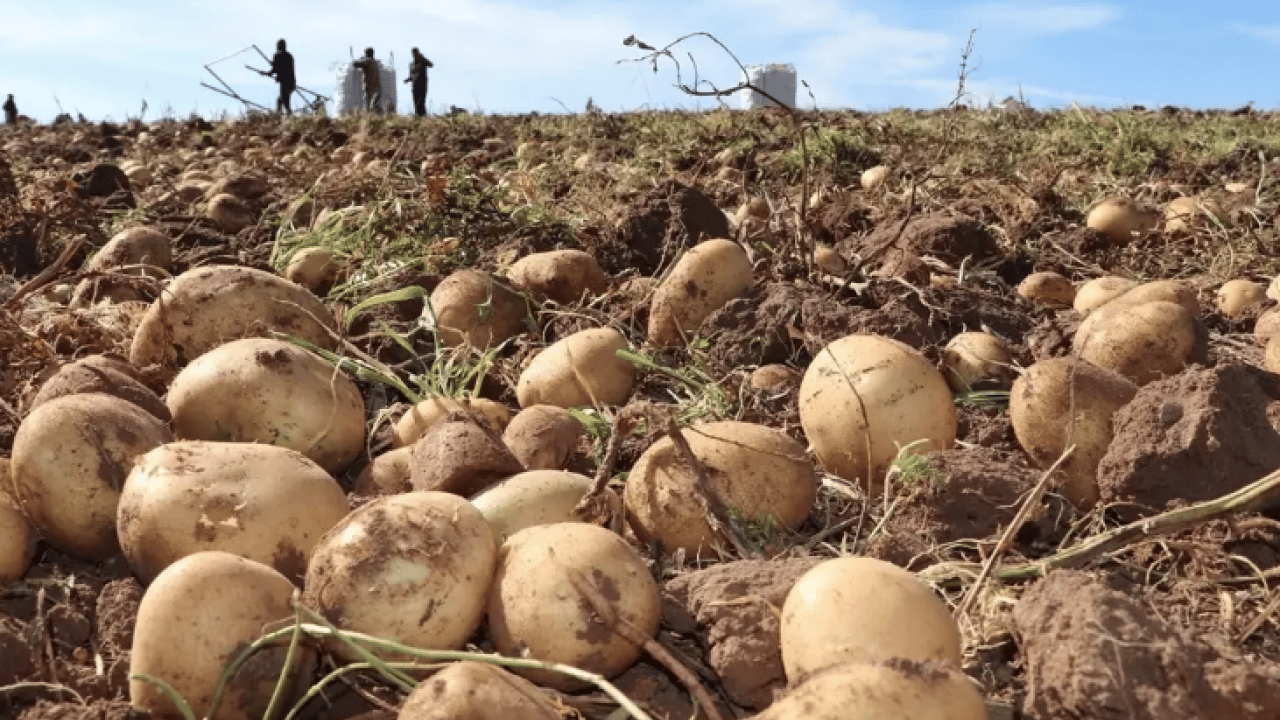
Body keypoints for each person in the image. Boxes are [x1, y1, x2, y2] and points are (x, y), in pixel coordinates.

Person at [266, 39, 296, 115]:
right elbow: (277, 68)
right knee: (283, 100)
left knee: (284, 100)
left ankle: (284, 115)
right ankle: (280, 115)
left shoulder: (278, 56)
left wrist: (268, 72)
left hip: (285, 82)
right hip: (291, 82)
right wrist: (273, 65)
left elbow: (275, 70)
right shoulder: (289, 56)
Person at [403, 48, 434, 117]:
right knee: (416, 103)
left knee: (421, 102)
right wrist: (407, 80)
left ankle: (423, 117)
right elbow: (411, 76)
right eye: (414, 53)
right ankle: (418, 118)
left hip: (422, 85)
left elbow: (431, 65)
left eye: (416, 53)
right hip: (414, 86)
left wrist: (423, 58)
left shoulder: (423, 61)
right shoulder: (411, 64)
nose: (415, 55)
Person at [352, 48, 383, 114]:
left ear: (366, 53)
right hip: (376, 85)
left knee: (367, 101)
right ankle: (377, 114)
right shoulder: (374, 61)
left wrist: (355, 61)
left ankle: (368, 114)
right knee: (375, 102)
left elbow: (356, 64)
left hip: (369, 85)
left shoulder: (368, 61)